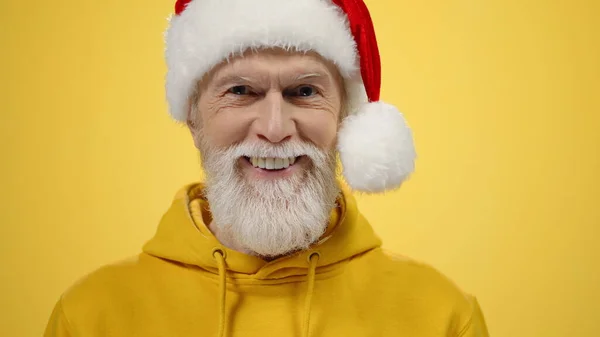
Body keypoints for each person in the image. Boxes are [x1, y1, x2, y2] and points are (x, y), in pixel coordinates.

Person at [44, 0, 489, 336]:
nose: (275, 129)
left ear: (346, 117)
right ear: (193, 116)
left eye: (304, 91)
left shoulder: (441, 316)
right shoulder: (91, 316)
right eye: (240, 90)